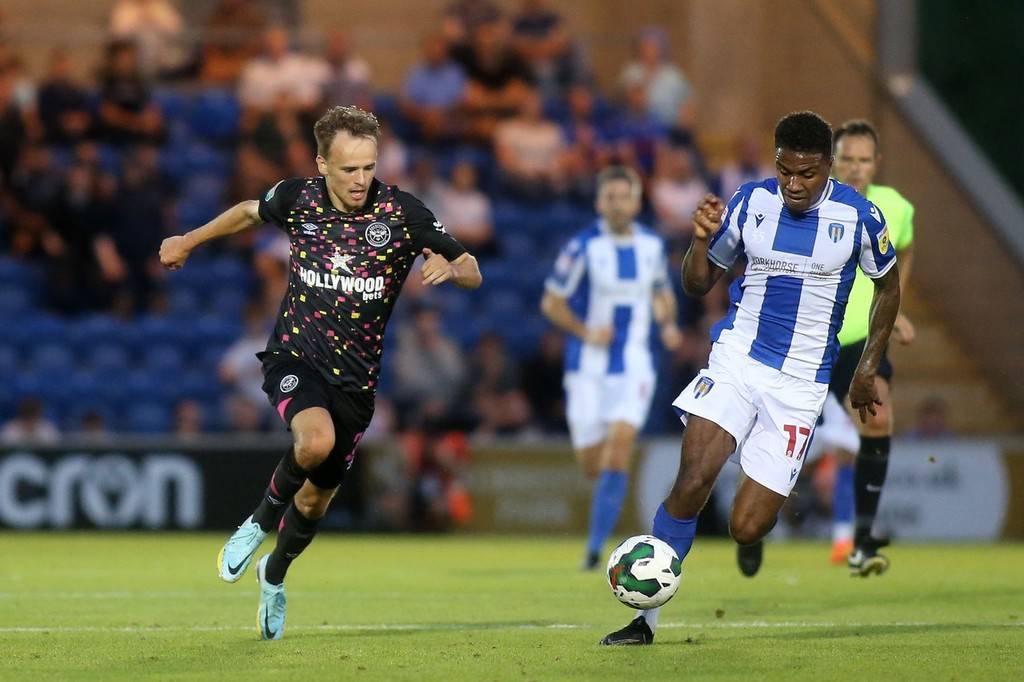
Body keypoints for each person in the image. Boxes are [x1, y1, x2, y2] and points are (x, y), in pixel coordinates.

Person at [158, 105, 482, 641]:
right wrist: (188, 241)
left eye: (369, 167)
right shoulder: (298, 199)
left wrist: (450, 266)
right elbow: (247, 212)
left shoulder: (402, 213)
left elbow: (473, 269)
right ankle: (257, 523)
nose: (360, 179)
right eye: (349, 168)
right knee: (313, 442)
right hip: (295, 357)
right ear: (322, 164)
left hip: (355, 383)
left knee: (314, 501)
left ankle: (274, 573)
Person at [600, 111, 901, 645]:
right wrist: (699, 240)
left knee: (746, 526)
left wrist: (867, 366)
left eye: (807, 174)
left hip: (801, 383)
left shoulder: (860, 217)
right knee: (692, 479)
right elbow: (698, 284)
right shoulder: (749, 202)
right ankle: (644, 621)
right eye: (785, 171)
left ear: (828, 167)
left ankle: (759, 501)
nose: (794, 184)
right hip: (737, 360)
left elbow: (888, 287)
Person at [753, 119, 916, 573]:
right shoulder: (805, 202)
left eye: (864, 160)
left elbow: (903, 253)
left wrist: (897, 308)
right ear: (831, 161)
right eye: (847, 159)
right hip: (803, 338)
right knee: (773, 440)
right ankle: (752, 527)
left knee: (877, 418)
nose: (856, 167)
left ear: (876, 163)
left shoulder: (895, 208)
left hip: (858, 339)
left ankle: (861, 538)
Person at [541, 165, 682, 570]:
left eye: (625, 197)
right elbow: (551, 303)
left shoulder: (652, 247)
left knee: (618, 452)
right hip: (586, 369)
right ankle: (599, 534)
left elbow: (661, 293)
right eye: (611, 197)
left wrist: (667, 323)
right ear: (599, 203)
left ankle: (594, 550)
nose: (618, 204)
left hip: (634, 364)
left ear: (637, 202)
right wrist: (585, 331)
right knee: (593, 465)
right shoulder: (582, 247)